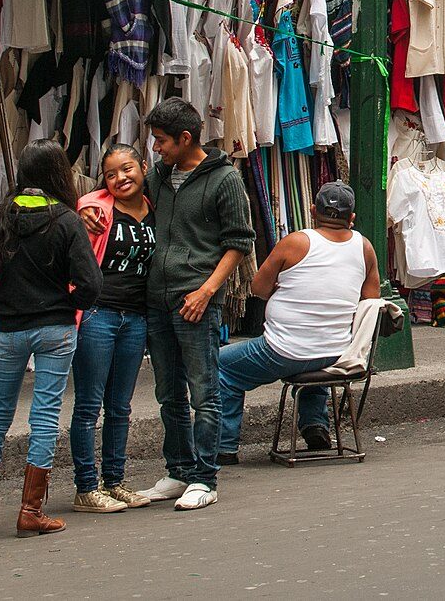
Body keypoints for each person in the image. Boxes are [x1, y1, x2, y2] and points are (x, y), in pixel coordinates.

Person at [0, 141, 101, 536]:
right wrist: (67, 302)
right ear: (59, 173)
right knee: (44, 415)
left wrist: (2, 304)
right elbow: (91, 283)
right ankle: (29, 511)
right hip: (56, 328)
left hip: (9, 329)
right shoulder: (68, 220)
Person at [126, 97, 254, 512]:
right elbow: (120, 199)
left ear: (185, 138)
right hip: (157, 299)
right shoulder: (159, 176)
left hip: (196, 300)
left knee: (204, 392)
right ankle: (178, 470)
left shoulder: (225, 179)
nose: (155, 149)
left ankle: (204, 477)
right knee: (168, 394)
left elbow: (239, 242)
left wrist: (207, 291)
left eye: (161, 141)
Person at [216, 181, 379, 462]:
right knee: (314, 355)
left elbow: (258, 288)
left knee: (221, 367)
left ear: (313, 210)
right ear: (351, 218)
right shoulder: (364, 247)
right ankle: (315, 424)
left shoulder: (295, 242)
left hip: (282, 351)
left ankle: (223, 447)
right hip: (335, 352)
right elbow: (371, 301)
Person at [68, 142, 156, 514]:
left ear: (144, 167)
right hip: (97, 315)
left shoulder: (156, 209)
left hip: (136, 319)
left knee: (120, 407)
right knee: (89, 405)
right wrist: (80, 213)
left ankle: (115, 481)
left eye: (127, 169)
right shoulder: (94, 207)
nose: (120, 178)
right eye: (110, 173)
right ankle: (87, 487)